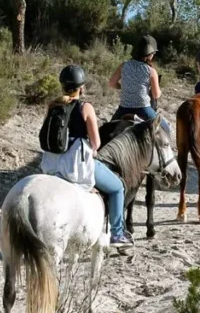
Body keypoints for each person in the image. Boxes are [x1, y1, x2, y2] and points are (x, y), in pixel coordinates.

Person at [42, 65, 133, 247]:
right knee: (117, 188)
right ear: (81, 87)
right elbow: (96, 143)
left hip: (52, 164)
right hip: (76, 165)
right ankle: (117, 234)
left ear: (62, 86)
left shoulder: (52, 106)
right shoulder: (85, 107)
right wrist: (93, 150)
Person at [108, 35, 170, 132]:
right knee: (165, 128)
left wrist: (122, 86)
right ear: (150, 54)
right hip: (143, 109)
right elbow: (156, 95)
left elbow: (111, 83)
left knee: (108, 131)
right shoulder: (151, 71)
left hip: (124, 108)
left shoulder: (123, 66)